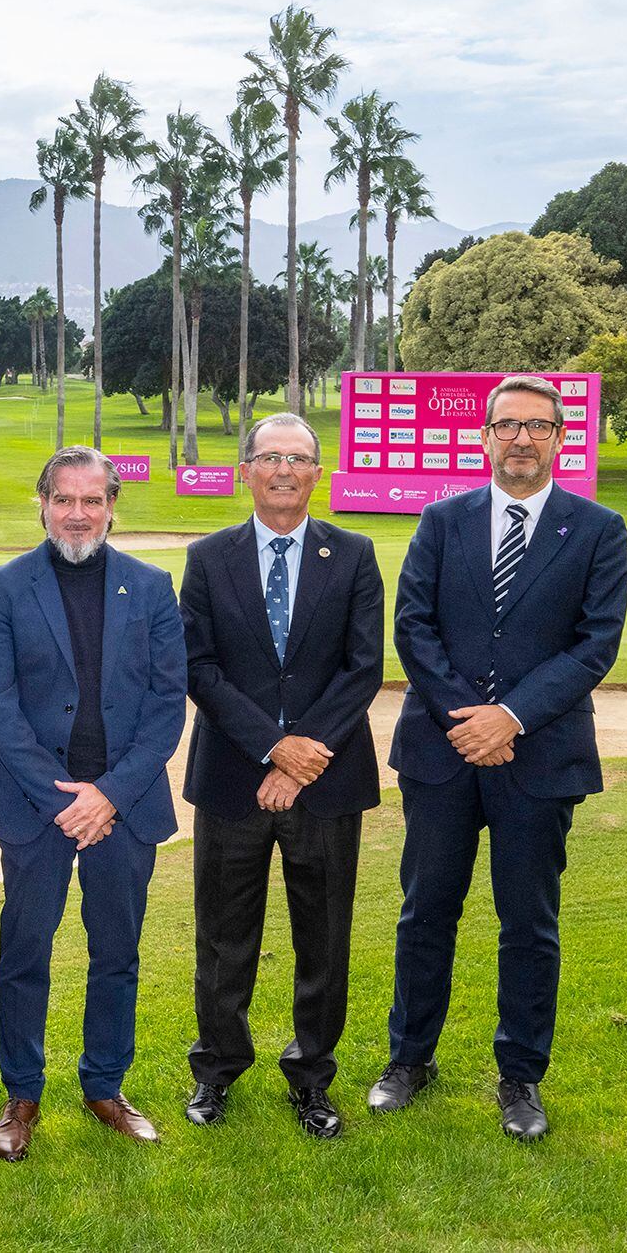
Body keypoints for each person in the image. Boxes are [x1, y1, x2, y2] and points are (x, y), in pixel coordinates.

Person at [371, 374, 627, 1142]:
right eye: (508, 426)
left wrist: (511, 716)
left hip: (539, 753)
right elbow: (413, 625)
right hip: (444, 753)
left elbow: (595, 645)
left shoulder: (597, 529)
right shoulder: (441, 520)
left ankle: (520, 1076)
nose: (522, 439)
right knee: (426, 912)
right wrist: (469, 719)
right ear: (484, 436)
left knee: (529, 923)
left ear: (560, 438)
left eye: (538, 427)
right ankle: (409, 1059)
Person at [0, 445, 185, 1157]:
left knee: (115, 953)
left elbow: (165, 705)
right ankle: (21, 1094)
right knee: (25, 950)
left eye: (92, 500)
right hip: (37, 806)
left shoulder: (152, 587)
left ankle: (104, 1086)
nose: (77, 513)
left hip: (123, 804)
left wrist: (110, 796)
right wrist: (65, 799)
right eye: (64, 499)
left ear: (112, 507)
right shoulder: (2, 587)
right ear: (42, 503)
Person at [178, 413, 384, 1139]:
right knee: (223, 937)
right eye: (271, 458)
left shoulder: (354, 554)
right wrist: (273, 749)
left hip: (327, 782)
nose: (285, 471)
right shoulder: (208, 558)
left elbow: (364, 668)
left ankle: (311, 1078)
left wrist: (302, 757)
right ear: (247, 470)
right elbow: (198, 668)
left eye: (299, 459)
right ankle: (216, 1071)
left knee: (323, 937)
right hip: (235, 778)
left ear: (317, 472)